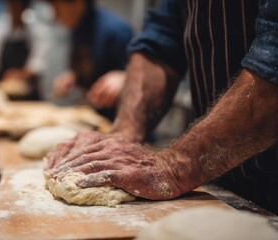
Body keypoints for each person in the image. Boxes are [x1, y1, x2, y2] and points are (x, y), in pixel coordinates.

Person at [46, 0, 278, 214]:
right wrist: (125, 133)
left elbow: (273, 58)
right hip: (216, 186)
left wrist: (177, 166)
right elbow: (159, 40)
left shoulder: (109, 28)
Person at [48, 0, 133, 119]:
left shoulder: (115, 31)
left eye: (57, 8)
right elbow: (93, 68)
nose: (54, 16)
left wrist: (125, 77)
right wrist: (74, 76)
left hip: (123, 121)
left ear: (78, 3)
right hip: (96, 115)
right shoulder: (77, 27)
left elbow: (142, 79)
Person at [0, 0, 47, 99]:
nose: (14, 11)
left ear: (25, 9)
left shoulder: (36, 31)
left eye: (17, 7)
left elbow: (38, 63)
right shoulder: (0, 30)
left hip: (29, 95)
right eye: (11, 7)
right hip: (2, 95)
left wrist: (21, 74)